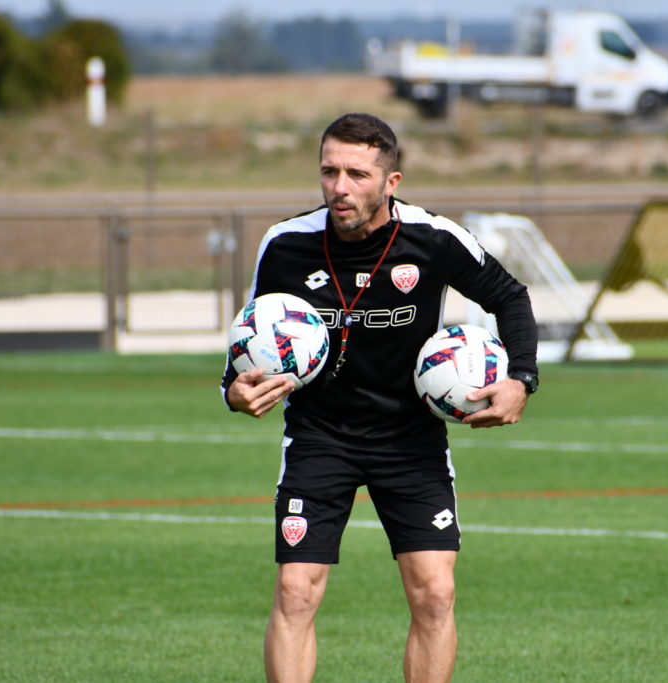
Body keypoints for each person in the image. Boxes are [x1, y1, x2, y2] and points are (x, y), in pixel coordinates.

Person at [222, 112, 538, 683]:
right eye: (329, 171)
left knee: (435, 593)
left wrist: (521, 379)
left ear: (391, 181)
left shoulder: (433, 238)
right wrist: (233, 390)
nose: (340, 187)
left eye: (357, 174)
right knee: (295, 591)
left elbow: (510, 297)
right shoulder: (286, 244)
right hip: (320, 435)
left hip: (410, 438)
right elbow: (250, 335)